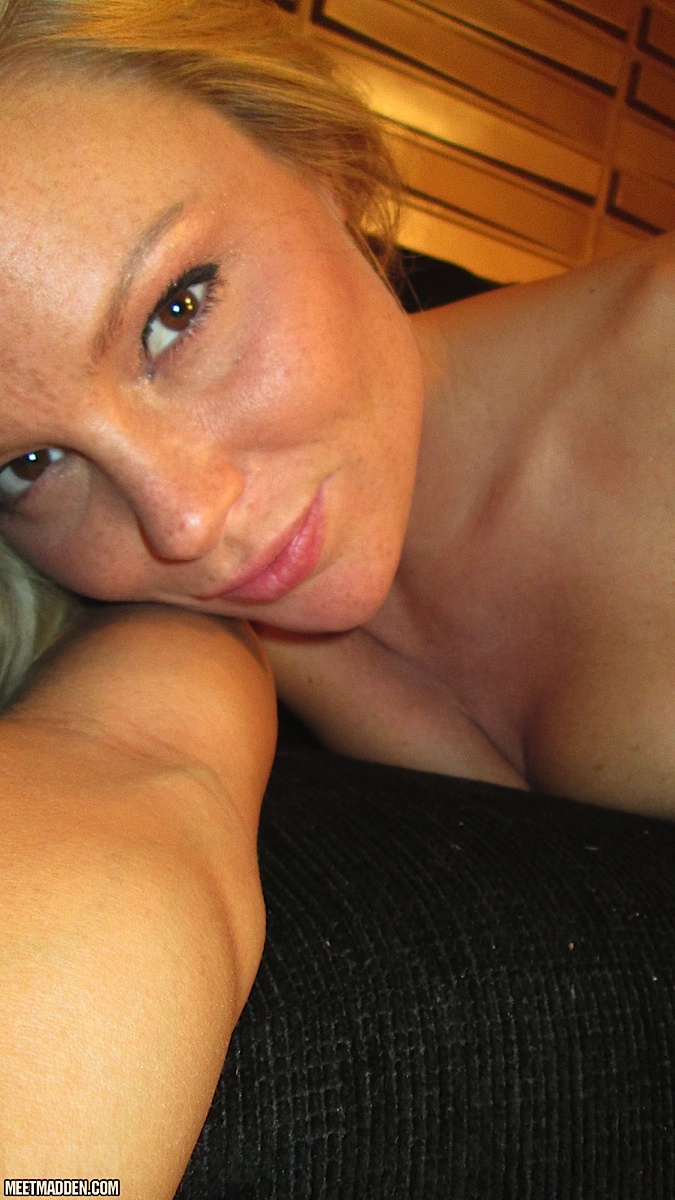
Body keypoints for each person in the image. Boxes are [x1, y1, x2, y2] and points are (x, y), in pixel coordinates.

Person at [0, 0, 673, 1191]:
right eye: (28, 463)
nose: (181, 518)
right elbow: (114, 806)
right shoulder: (182, 619)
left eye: (176, 311)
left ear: (318, 162)